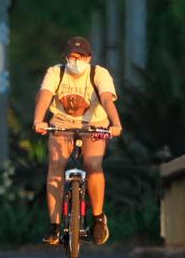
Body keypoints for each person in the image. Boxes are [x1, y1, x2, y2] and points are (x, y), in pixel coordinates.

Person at [32, 36, 123, 245]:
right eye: (71, 57)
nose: (75, 61)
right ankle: (54, 226)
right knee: (56, 165)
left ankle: (98, 219)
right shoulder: (56, 72)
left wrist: (115, 124)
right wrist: (39, 120)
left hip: (94, 123)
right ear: (65, 57)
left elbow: (107, 99)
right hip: (62, 122)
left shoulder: (99, 74)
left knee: (93, 164)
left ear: (89, 58)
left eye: (80, 57)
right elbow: (45, 96)